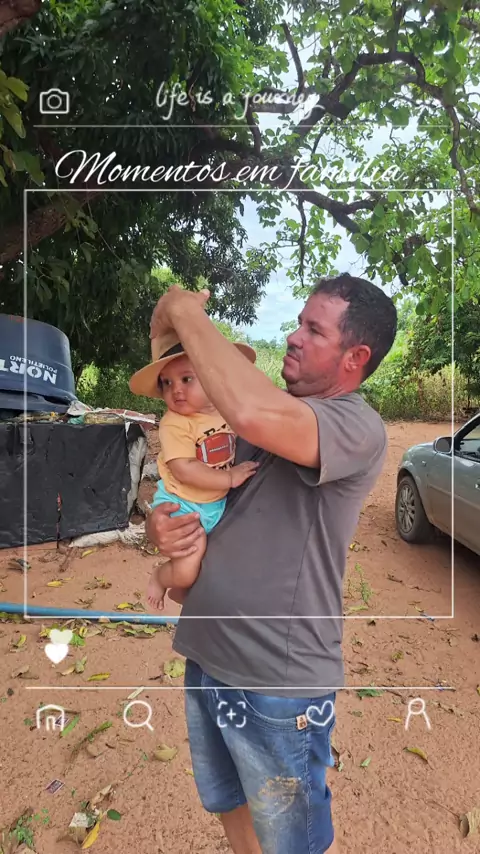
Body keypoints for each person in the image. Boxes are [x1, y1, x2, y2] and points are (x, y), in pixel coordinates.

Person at [145, 274, 397, 854]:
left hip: (276, 680)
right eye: (298, 322)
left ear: (355, 357)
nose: (293, 336)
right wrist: (164, 524)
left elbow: (253, 410)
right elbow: (206, 494)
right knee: (227, 799)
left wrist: (182, 309)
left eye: (314, 330)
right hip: (209, 651)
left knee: (291, 839)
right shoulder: (261, 420)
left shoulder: (355, 425)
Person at [129, 332, 258, 610]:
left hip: (213, 503)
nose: (176, 390)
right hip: (183, 505)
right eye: (167, 383)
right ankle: (162, 577)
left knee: (211, 562)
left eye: (186, 379)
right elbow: (184, 469)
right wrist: (229, 477)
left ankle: (187, 590)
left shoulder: (224, 412)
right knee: (187, 567)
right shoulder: (175, 422)